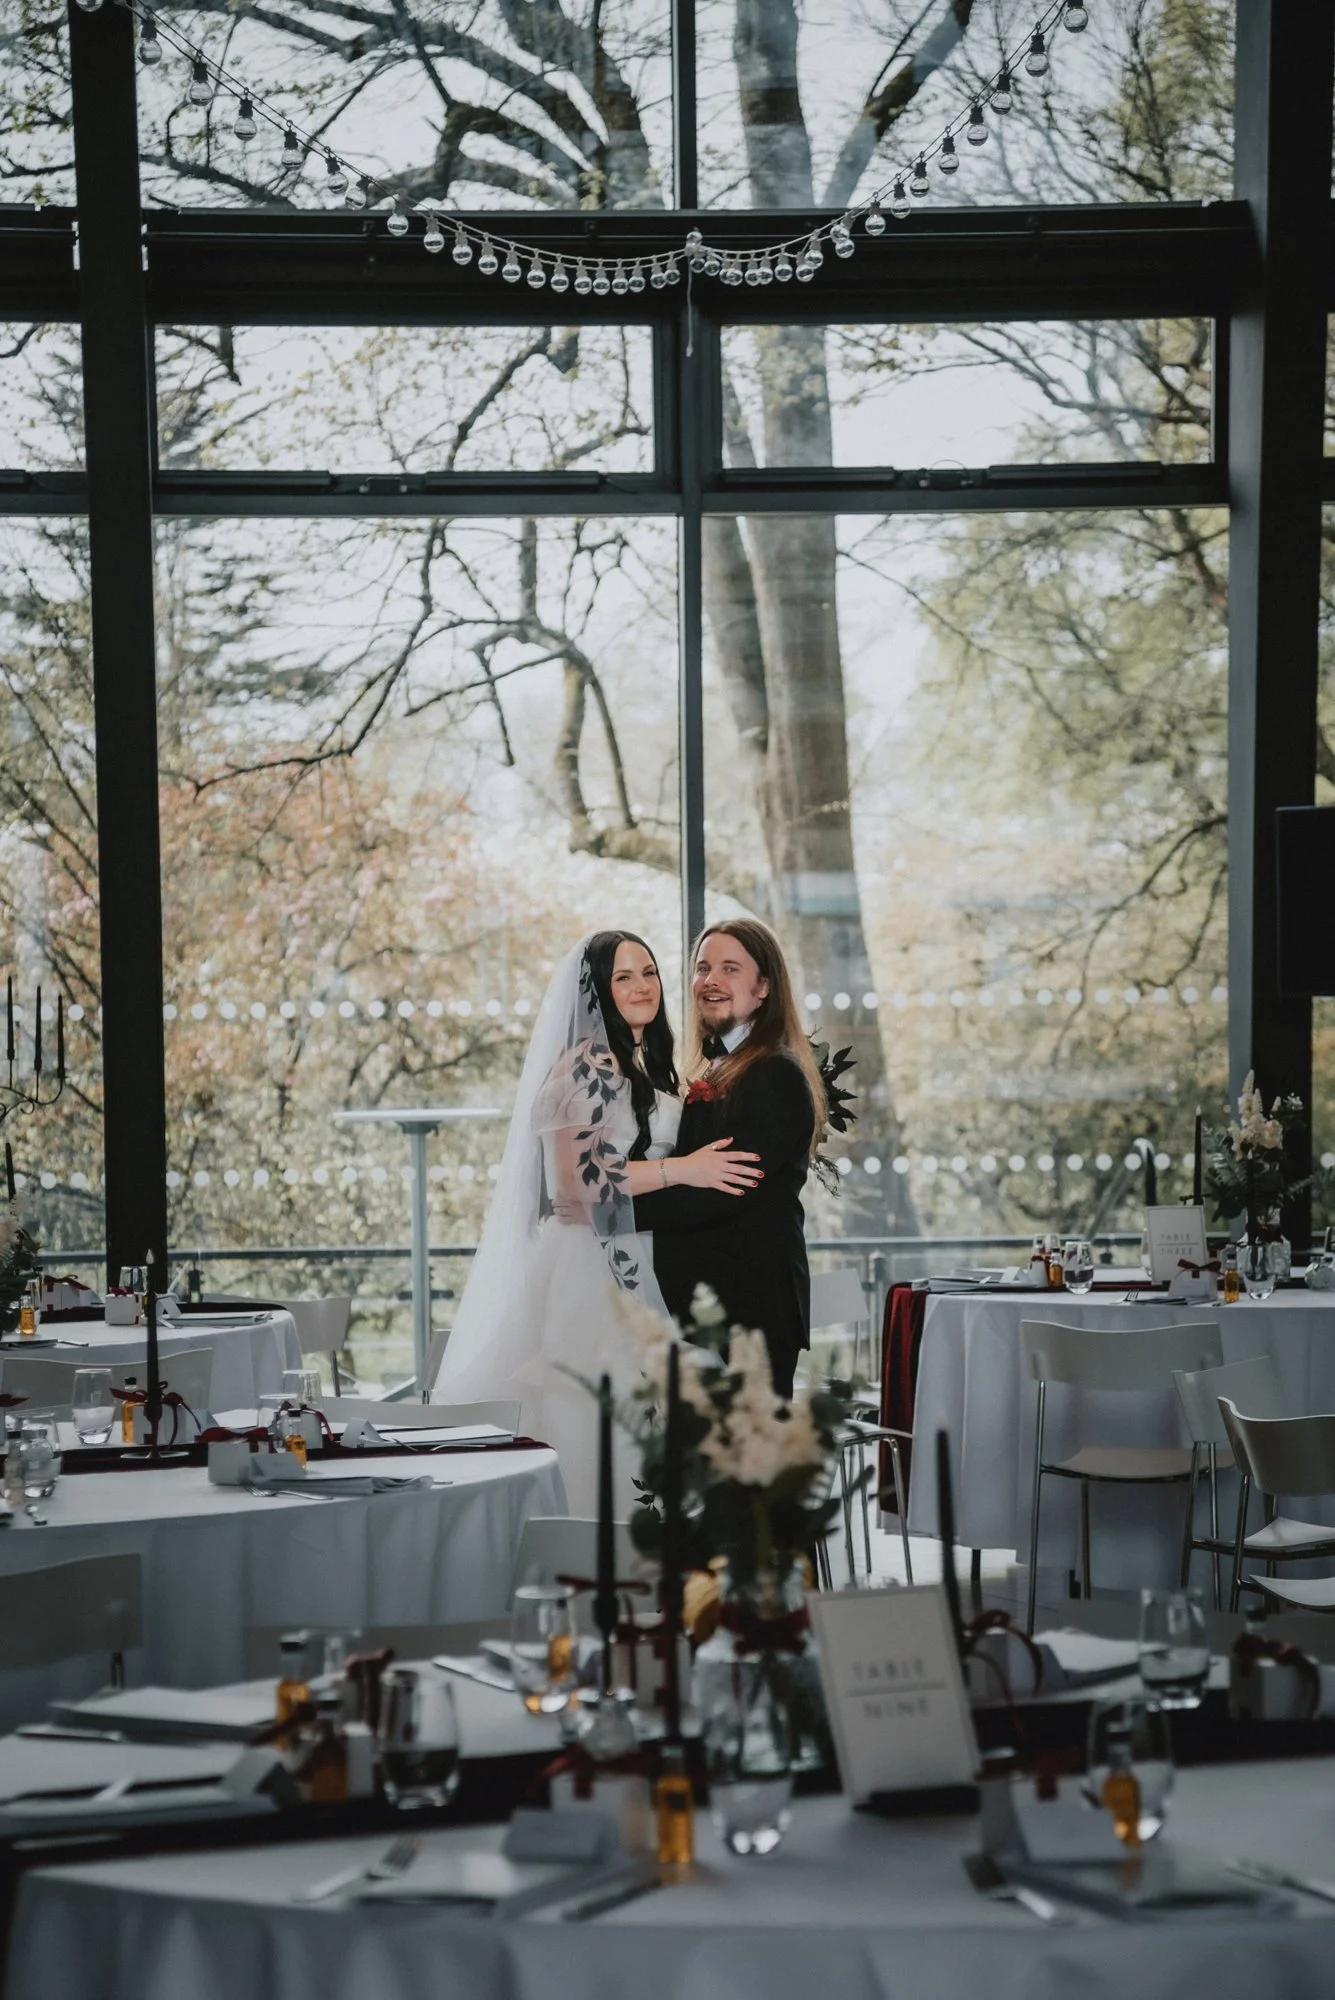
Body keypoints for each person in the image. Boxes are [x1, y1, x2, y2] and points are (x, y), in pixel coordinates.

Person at [433, 929, 762, 1514]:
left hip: (634, 1253)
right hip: (588, 1264)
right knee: (596, 1411)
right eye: (623, 977)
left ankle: (648, 1560)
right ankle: (591, 1554)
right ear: (596, 992)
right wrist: (684, 1170)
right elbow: (574, 1184)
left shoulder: (646, 1061)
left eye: (650, 973)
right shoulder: (589, 1062)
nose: (642, 987)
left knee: (643, 1415)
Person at [633, 919, 824, 1397]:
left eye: (729, 968)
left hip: (750, 1311)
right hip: (708, 1307)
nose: (710, 980)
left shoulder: (775, 1074)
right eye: (702, 968)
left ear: (763, 987)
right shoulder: (716, 1068)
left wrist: (609, 1208)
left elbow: (718, 1192)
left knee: (745, 1465)